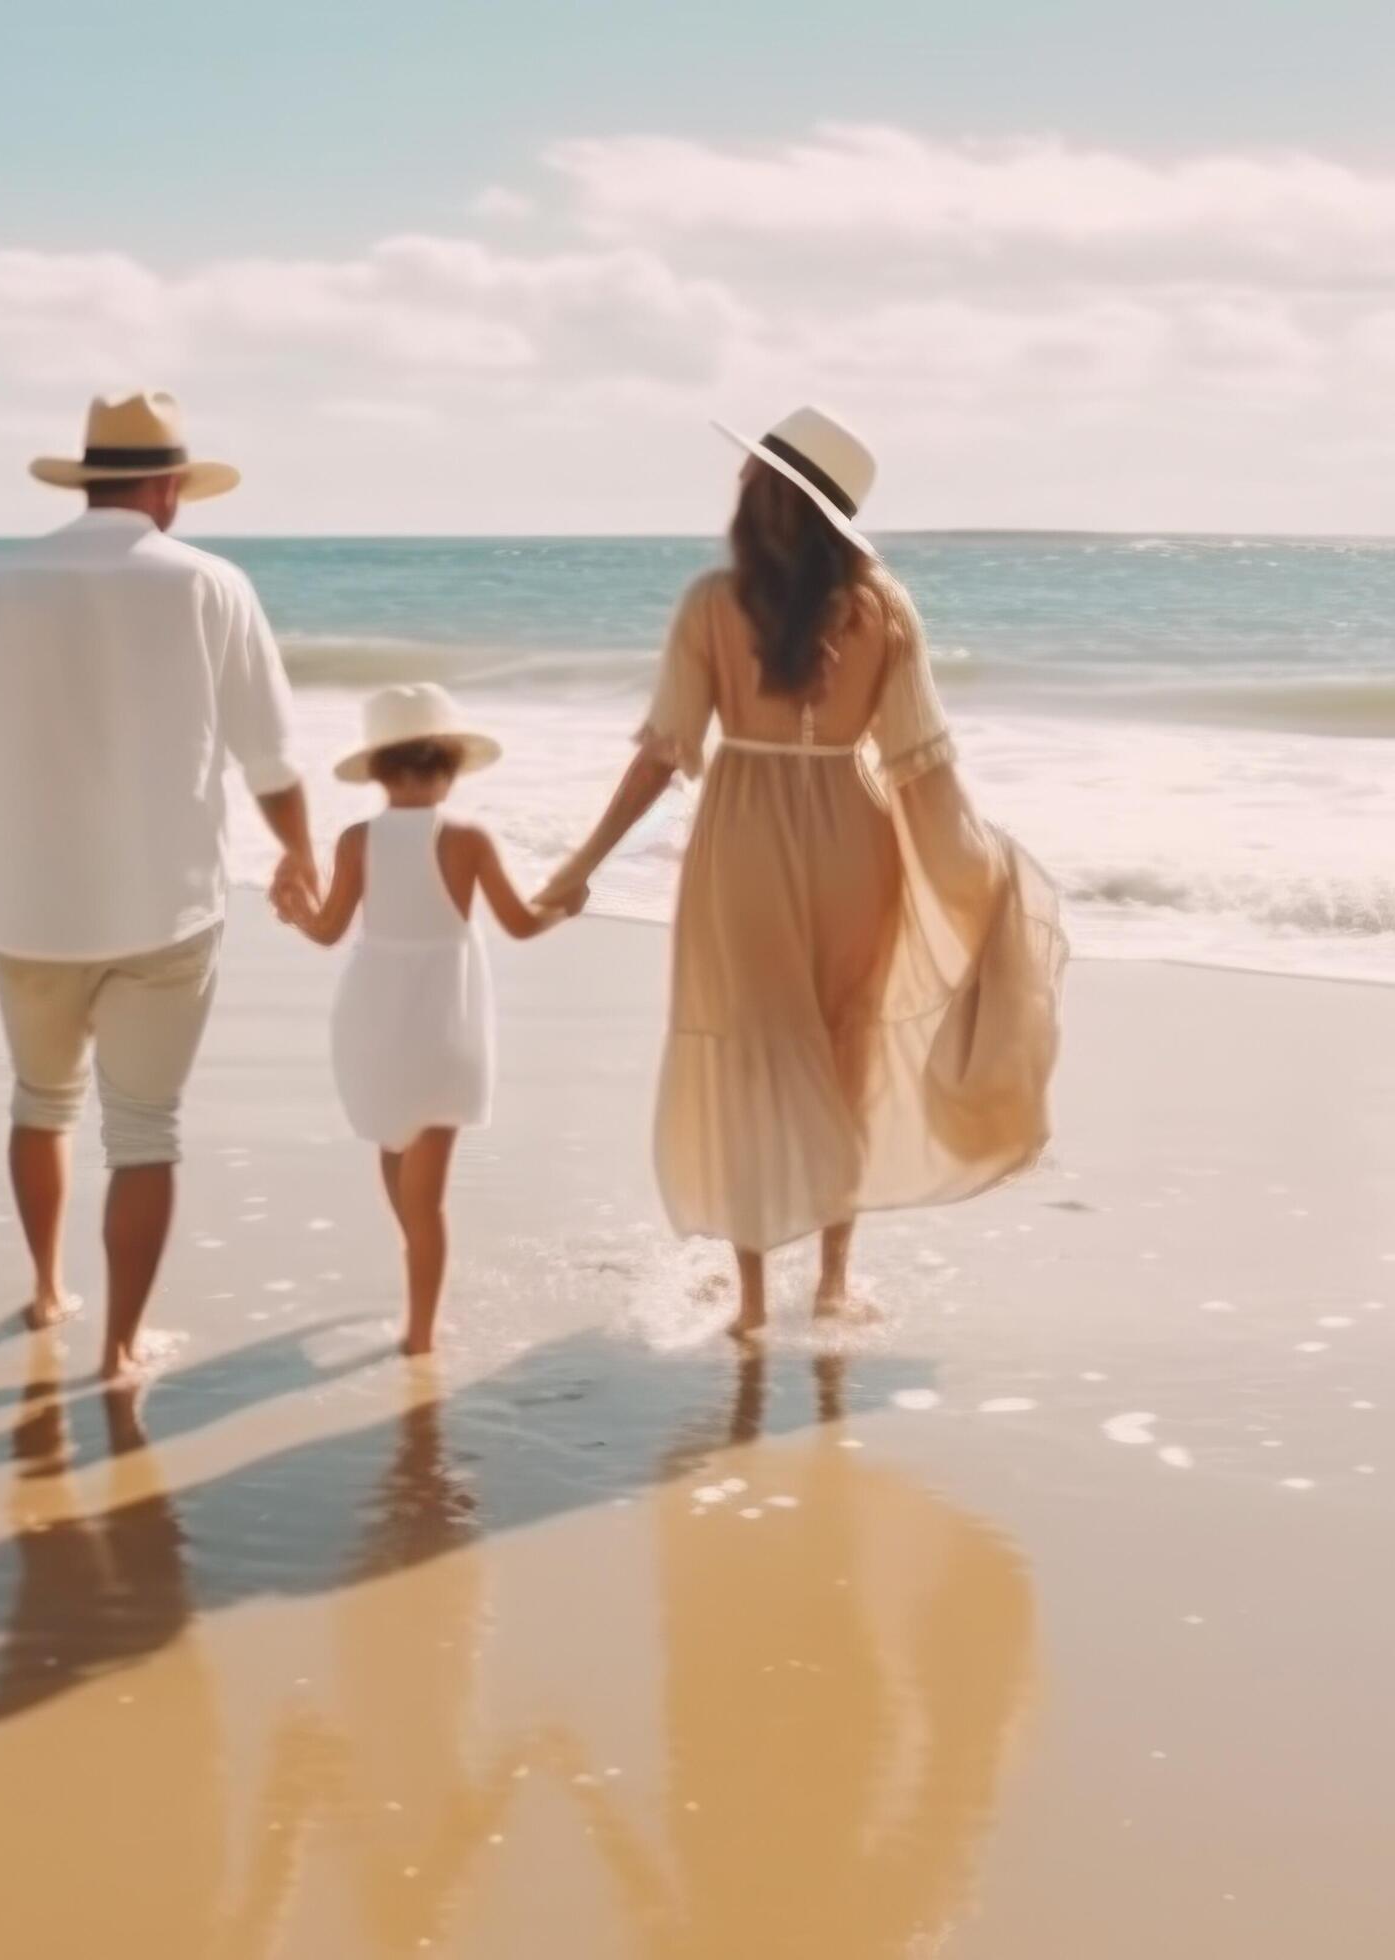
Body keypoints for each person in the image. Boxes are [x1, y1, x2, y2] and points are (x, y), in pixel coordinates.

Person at [539, 406, 1063, 1338]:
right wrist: (977, 872)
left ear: (765, 494)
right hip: (856, 843)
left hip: (741, 841)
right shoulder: (884, 605)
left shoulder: (709, 601)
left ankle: (746, 1301)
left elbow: (663, 754)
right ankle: (830, 1283)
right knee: (846, 1056)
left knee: (752, 1059)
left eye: (747, 476)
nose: (736, 486)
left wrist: (582, 864)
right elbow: (921, 764)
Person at [0, 389, 319, 1381]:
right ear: (171, 487)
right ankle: (121, 1346)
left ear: (90, 477)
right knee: (144, 1128)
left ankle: (47, 1287)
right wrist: (300, 854)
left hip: (30, 906)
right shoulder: (212, 585)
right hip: (166, 907)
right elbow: (269, 753)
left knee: (40, 1100)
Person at [295, 684, 578, 1355]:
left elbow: (327, 930)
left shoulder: (356, 840)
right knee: (429, 1198)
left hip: (373, 1020)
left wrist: (295, 909)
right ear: (449, 769)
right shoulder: (467, 840)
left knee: (393, 1154)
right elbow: (519, 924)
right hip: (446, 1026)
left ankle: (418, 1298)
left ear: (377, 771)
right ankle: (420, 1333)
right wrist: (569, 902)